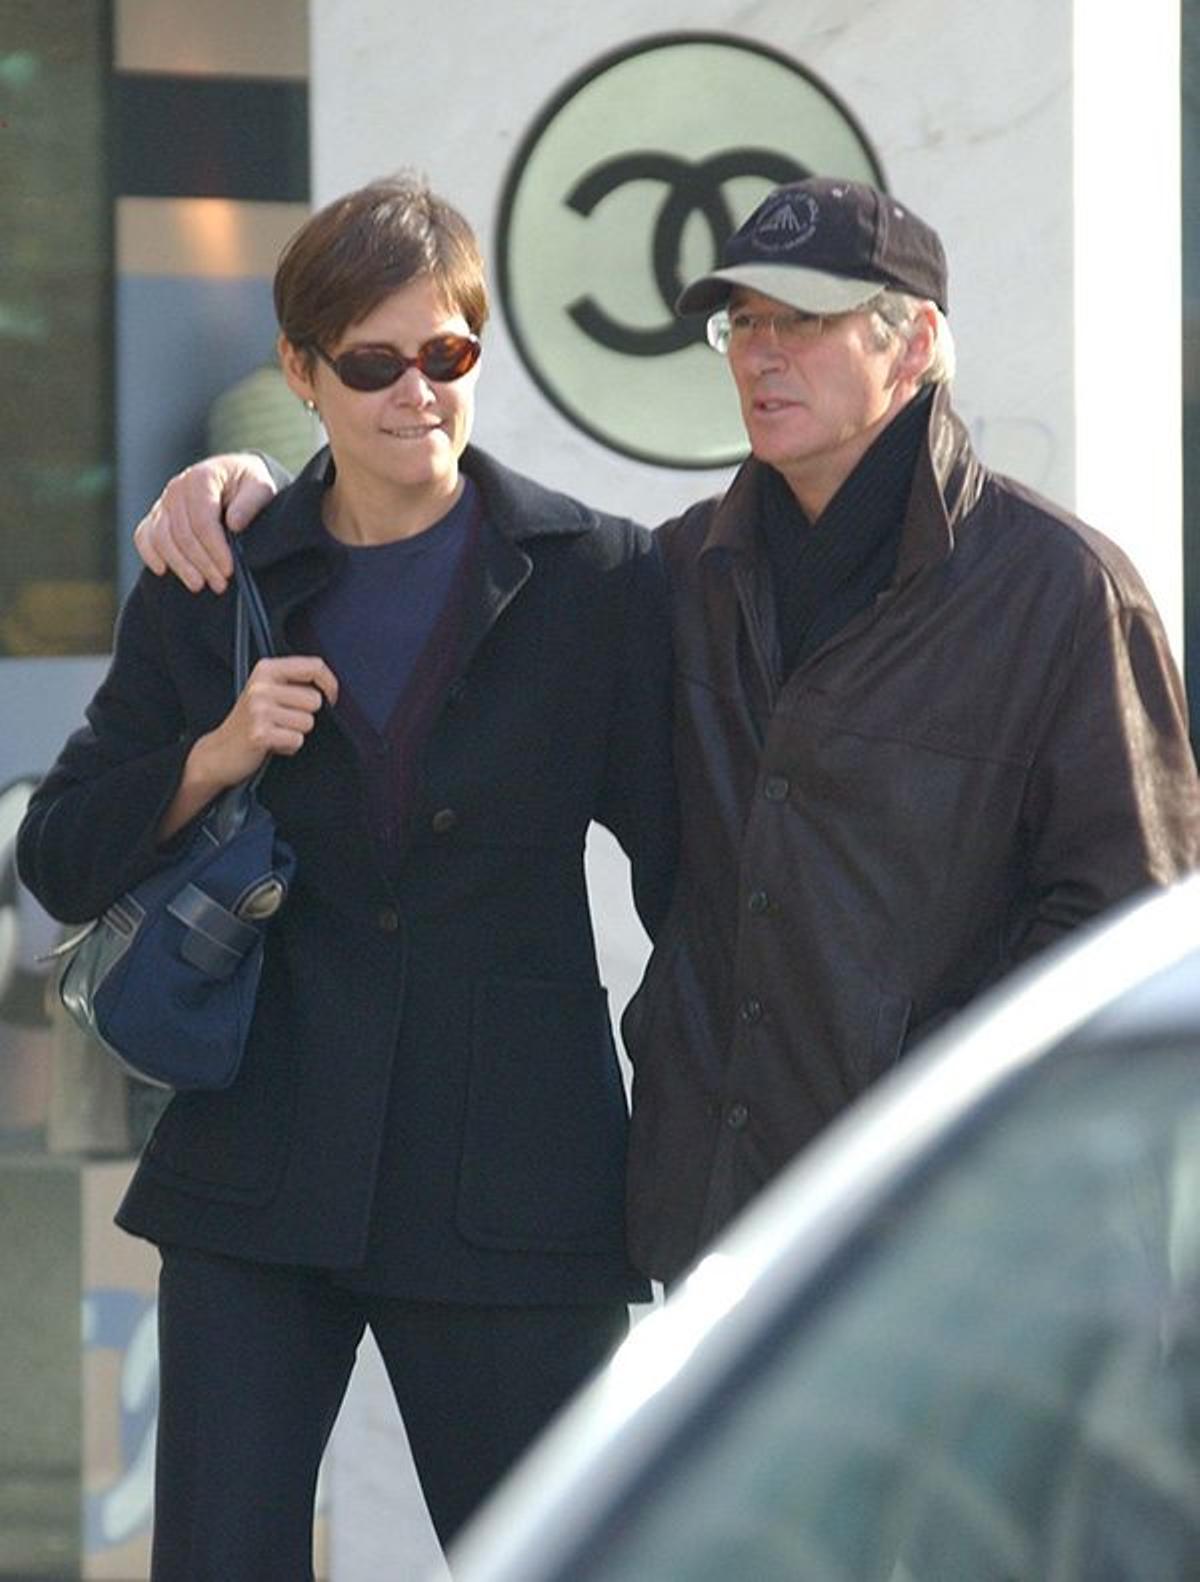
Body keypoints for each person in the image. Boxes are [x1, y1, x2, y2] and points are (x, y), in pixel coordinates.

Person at [131, 175, 1200, 1297]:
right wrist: (239, 487)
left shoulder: (1060, 594)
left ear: (914, 340)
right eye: (743, 323)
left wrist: (943, 1109)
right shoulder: (679, 575)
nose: (761, 354)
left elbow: (1136, 932)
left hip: (965, 1241)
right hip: (721, 1220)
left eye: (806, 320)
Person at [17, 175, 676, 1578]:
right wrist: (212, 753)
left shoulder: (599, 581)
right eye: (371, 362)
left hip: (516, 1179)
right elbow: (58, 855)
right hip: (257, 1171)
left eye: (446, 355)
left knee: (567, 1557)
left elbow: (693, 876)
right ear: (302, 373)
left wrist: (695, 1143)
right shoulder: (217, 575)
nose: (415, 392)